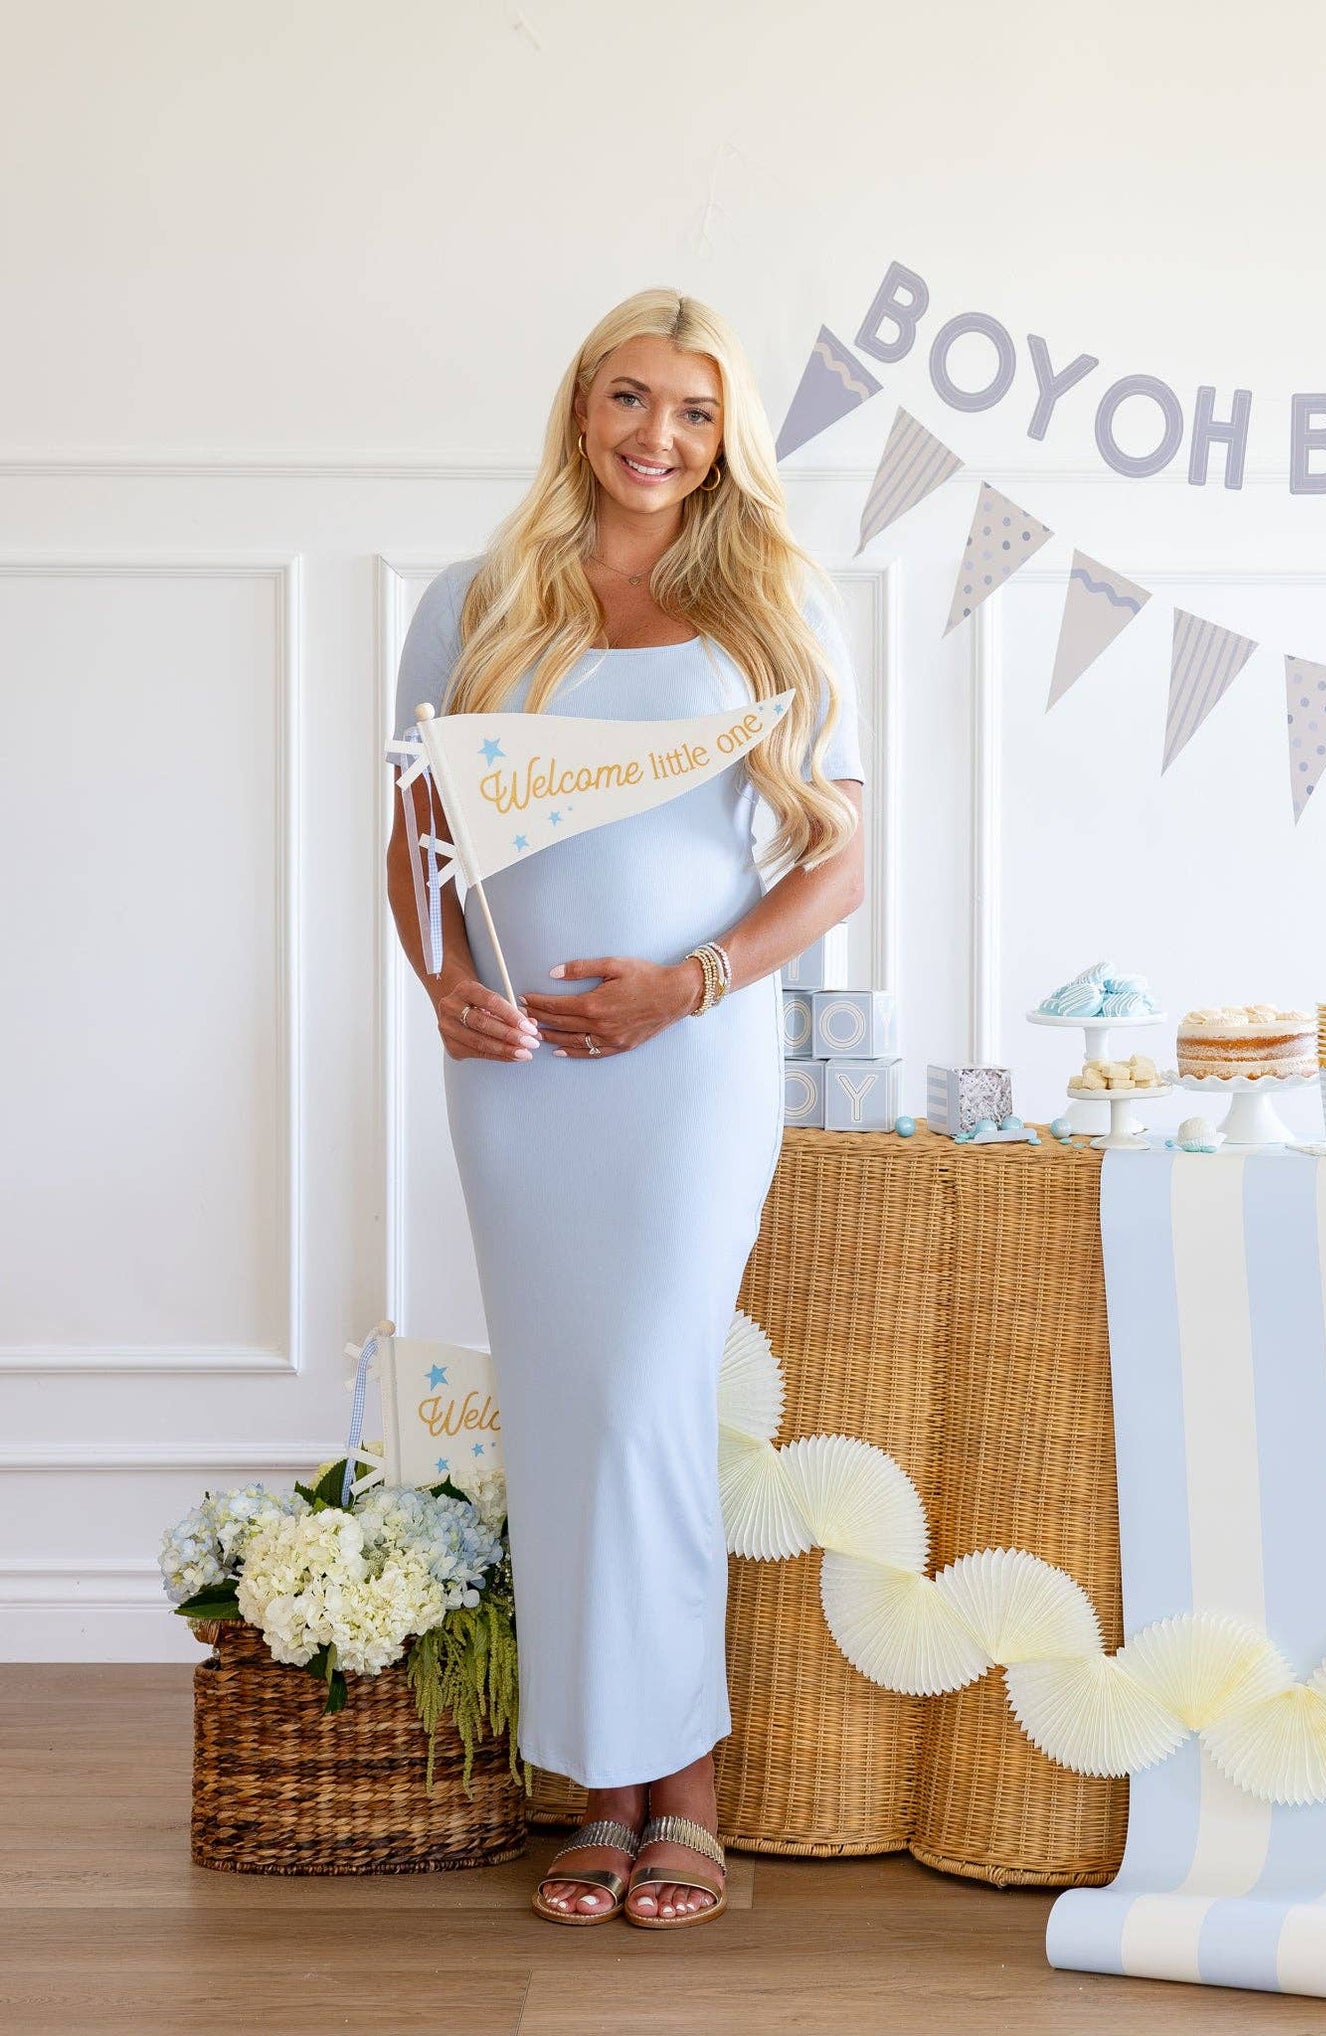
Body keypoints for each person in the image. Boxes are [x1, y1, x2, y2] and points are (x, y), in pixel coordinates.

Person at [385, 288, 866, 1928]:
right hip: (514, 1077)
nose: (657, 437)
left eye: (695, 412)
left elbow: (838, 861)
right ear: (579, 411)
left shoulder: (772, 606)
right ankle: (605, 1791)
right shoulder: (475, 599)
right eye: (627, 400)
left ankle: (683, 1790)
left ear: (730, 440)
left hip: (684, 1070)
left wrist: (691, 985)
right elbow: (418, 833)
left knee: (651, 1397)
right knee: (567, 1410)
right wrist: (435, 975)